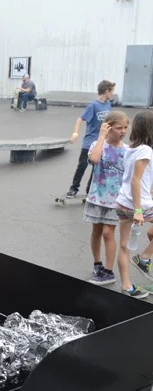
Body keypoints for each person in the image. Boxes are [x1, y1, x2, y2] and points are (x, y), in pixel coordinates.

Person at [84, 112, 129, 286]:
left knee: (108, 233)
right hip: (96, 197)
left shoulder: (126, 151)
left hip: (115, 201)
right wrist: (102, 136)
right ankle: (98, 264)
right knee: (96, 232)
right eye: (119, 128)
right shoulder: (98, 145)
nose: (123, 131)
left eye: (125, 127)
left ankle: (109, 272)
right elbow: (94, 159)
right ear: (108, 127)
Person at [115, 111, 153, 299]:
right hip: (138, 206)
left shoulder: (131, 148)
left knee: (124, 246)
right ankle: (144, 258)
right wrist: (138, 211)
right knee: (126, 246)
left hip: (123, 203)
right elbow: (135, 181)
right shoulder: (146, 150)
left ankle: (127, 286)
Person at [66, 80, 115, 198]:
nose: (113, 94)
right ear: (106, 91)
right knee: (82, 166)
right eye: (112, 91)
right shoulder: (93, 105)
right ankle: (73, 189)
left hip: (102, 142)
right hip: (89, 142)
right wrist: (75, 133)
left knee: (97, 168)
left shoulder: (108, 105)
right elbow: (80, 119)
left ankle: (90, 190)